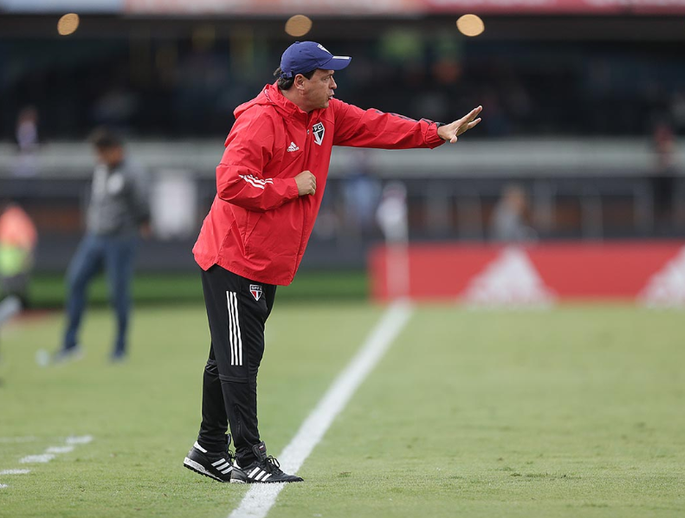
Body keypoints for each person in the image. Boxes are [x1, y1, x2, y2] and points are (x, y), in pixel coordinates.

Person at [183, 41, 481, 484]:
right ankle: (248, 457)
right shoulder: (260, 120)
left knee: (228, 357)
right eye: (327, 77)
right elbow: (230, 183)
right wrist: (291, 186)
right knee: (240, 359)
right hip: (234, 257)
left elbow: (376, 125)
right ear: (299, 82)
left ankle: (208, 448)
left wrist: (434, 133)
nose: (334, 84)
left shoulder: (325, 114)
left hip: (263, 260)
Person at [52, 128, 151, 364]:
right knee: (75, 280)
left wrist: (144, 222)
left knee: (118, 293)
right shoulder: (101, 169)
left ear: (116, 150)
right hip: (95, 237)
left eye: (102, 153)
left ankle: (120, 348)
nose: (99, 158)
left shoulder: (132, 171)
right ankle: (70, 344)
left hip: (120, 239)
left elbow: (141, 202)